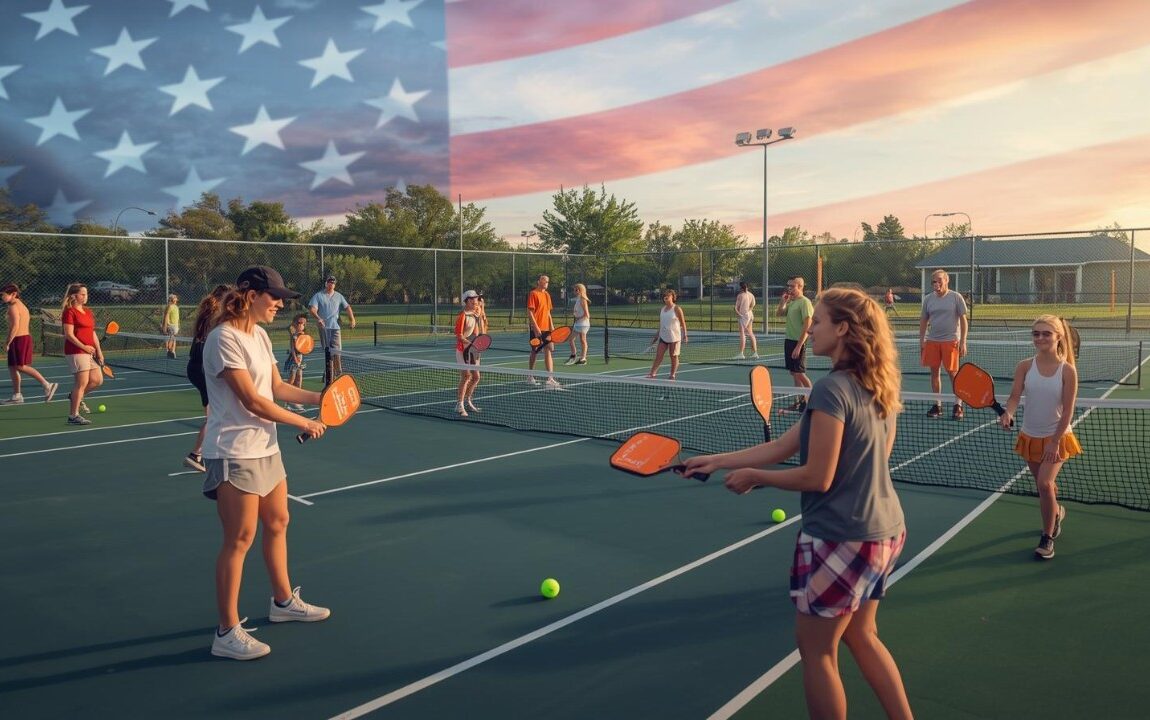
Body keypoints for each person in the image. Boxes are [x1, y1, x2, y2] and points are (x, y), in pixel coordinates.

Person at [682, 287, 912, 720]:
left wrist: (754, 479)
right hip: (886, 531)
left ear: (843, 329)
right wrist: (716, 461)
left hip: (841, 538)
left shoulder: (829, 390)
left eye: (819, 322)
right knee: (863, 636)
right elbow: (788, 446)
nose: (811, 328)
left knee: (817, 652)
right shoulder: (879, 385)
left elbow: (817, 477)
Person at [203, 266, 329, 661]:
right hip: (233, 451)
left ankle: (282, 602)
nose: (279, 303)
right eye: (273, 296)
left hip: (267, 449)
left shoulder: (257, 335)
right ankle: (226, 630)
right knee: (239, 539)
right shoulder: (223, 338)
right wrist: (306, 422)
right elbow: (254, 402)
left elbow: (275, 388)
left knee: (278, 522)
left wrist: (319, 398)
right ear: (249, 294)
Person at [999, 315, 1081, 560]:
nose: (1040, 338)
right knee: (1045, 487)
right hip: (1030, 435)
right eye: (1036, 334)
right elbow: (1014, 397)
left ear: (1058, 337)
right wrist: (1008, 413)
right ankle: (1055, 512)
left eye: (1046, 333)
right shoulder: (1025, 366)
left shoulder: (1068, 371)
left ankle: (1047, 537)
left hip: (1057, 436)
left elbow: (1068, 411)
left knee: (1044, 484)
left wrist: (1055, 441)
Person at [184, 285, 230, 472]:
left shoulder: (207, 313)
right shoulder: (217, 317)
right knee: (217, 415)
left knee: (214, 413)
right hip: (203, 369)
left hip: (195, 368)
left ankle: (207, 452)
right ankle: (196, 453)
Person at [919, 269, 968, 420]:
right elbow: (923, 321)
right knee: (934, 373)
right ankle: (937, 405)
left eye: (939, 280)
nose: (936, 283)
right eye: (934, 281)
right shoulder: (928, 299)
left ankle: (958, 405)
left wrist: (963, 341)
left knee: (953, 374)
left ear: (947, 281)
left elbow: (963, 320)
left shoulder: (956, 297)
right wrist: (922, 340)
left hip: (951, 341)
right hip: (933, 341)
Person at [2, 283, 58, 404]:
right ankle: (17, 395)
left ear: (13, 294)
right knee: (12, 367)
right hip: (21, 338)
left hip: (19, 339)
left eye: (4, 295)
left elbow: (15, 326)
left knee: (20, 366)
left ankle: (47, 385)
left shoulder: (14, 307)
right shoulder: (19, 305)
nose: (2, 297)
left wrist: (7, 342)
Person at [60, 283, 103, 425]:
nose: (85, 297)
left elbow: (92, 333)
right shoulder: (69, 312)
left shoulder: (88, 312)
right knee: (82, 383)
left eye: (86, 294)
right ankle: (73, 416)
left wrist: (99, 351)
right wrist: (84, 347)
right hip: (76, 352)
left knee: (97, 380)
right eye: (82, 294)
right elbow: (69, 335)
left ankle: (75, 397)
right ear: (74, 296)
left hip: (89, 352)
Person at [308, 275, 356, 383]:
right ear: (326, 283)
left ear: (335, 284)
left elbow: (347, 307)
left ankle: (338, 373)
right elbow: (312, 309)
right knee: (328, 352)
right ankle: (329, 373)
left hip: (335, 328)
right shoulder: (318, 296)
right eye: (329, 282)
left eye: (333, 283)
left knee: (337, 352)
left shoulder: (339, 296)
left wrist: (352, 319)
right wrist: (318, 318)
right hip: (324, 328)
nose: (331, 284)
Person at [776, 276, 814, 411]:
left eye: (792, 286)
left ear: (800, 287)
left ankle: (814, 402)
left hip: (798, 343)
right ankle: (799, 402)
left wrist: (799, 346)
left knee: (799, 373)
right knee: (794, 373)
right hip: (789, 341)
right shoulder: (792, 302)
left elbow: (808, 325)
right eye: (789, 286)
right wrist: (783, 302)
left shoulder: (805, 302)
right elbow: (779, 314)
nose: (789, 289)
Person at [526, 274, 561, 388]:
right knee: (535, 351)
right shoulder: (533, 293)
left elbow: (548, 313)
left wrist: (552, 328)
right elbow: (530, 312)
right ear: (539, 281)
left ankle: (550, 378)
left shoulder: (547, 295)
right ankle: (530, 376)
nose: (546, 282)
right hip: (537, 328)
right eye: (544, 280)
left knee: (549, 349)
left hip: (547, 328)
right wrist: (535, 327)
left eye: (547, 281)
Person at [646, 289, 688, 380]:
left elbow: (683, 323)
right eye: (664, 296)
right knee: (659, 355)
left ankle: (672, 374)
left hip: (674, 338)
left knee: (673, 356)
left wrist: (685, 335)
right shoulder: (662, 309)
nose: (665, 297)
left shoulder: (677, 309)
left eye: (668, 296)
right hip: (663, 337)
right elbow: (661, 324)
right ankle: (652, 373)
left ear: (672, 297)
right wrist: (656, 337)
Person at [454, 290, 483, 417]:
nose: (475, 300)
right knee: (466, 377)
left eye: (476, 298)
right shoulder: (463, 316)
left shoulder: (476, 314)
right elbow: (459, 336)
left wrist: (477, 344)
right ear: (466, 301)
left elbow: (477, 333)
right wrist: (470, 344)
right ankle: (459, 405)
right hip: (463, 350)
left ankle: (468, 400)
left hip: (474, 351)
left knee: (476, 377)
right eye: (472, 298)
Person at [283, 313, 308, 412]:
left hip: (300, 359)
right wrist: (295, 359)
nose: (302, 325)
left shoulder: (304, 336)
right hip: (294, 360)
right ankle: (286, 402)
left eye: (303, 324)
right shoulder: (293, 336)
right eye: (300, 323)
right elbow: (293, 350)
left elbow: (306, 348)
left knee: (299, 380)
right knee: (291, 381)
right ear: (296, 324)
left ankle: (296, 402)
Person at [566, 282, 591, 365]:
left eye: (576, 290)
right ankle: (573, 355)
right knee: (570, 339)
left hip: (583, 323)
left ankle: (583, 359)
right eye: (574, 290)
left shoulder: (583, 299)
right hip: (578, 323)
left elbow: (587, 314)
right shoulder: (578, 299)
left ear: (581, 290)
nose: (575, 291)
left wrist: (578, 318)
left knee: (583, 341)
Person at [734, 281, 759, 360]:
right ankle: (755, 353)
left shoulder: (740, 295)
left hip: (744, 316)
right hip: (750, 315)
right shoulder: (751, 295)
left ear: (741, 287)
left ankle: (741, 354)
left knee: (742, 334)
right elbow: (753, 304)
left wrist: (739, 314)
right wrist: (749, 310)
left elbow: (736, 307)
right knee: (750, 333)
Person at [162, 294, 180, 359]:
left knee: (174, 339)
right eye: (175, 298)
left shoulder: (176, 307)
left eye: (176, 298)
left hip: (175, 326)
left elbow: (177, 317)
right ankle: (169, 350)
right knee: (171, 338)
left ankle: (173, 351)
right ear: (172, 299)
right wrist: (165, 325)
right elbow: (166, 316)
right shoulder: (169, 306)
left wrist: (178, 324)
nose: (176, 299)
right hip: (171, 326)